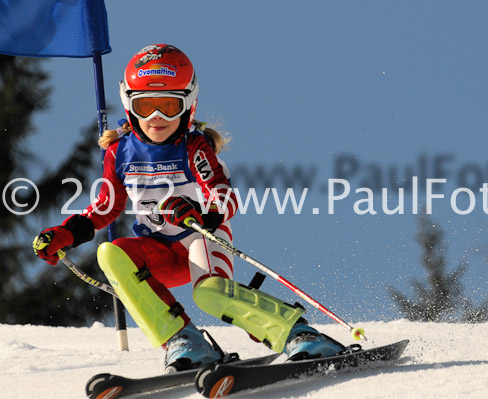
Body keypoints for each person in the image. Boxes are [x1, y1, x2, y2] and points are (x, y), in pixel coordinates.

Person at [32, 44, 344, 372]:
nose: (156, 118)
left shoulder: (193, 146)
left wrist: (200, 212)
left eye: (168, 106)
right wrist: (67, 233)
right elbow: (107, 207)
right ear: (129, 106)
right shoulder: (120, 153)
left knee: (209, 292)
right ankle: (184, 340)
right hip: (159, 251)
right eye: (146, 106)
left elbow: (223, 195)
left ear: (188, 106)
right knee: (111, 252)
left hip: (200, 238)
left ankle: (298, 334)